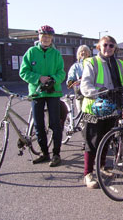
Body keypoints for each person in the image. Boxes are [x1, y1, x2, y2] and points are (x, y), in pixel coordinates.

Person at [80, 35, 123, 188]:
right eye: (105, 45)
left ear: (115, 48)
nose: (108, 48)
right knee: (91, 142)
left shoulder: (120, 64)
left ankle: (102, 167)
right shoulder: (92, 62)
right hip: (93, 108)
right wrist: (99, 91)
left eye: (111, 45)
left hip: (112, 106)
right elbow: (85, 86)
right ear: (99, 47)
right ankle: (88, 174)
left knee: (106, 138)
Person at [19, 25, 66, 167]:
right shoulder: (31, 52)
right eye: (43, 36)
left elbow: (62, 73)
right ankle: (45, 153)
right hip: (37, 92)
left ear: (51, 38)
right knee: (39, 125)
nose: (45, 39)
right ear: (39, 37)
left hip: (53, 92)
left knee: (55, 124)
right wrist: (39, 78)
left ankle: (56, 154)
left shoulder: (56, 54)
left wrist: (53, 79)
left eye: (48, 37)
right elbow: (23, 72)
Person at [66, 45, 91, 112]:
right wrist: (71, 83)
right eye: (81, 51)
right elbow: (70, 78)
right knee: (81, 114)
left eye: (85, 51)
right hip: (80, 94)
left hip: (92, 94)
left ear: (89, 53)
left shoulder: (93, 64)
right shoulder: (75, 66)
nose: (83, 52)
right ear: (78, 54)